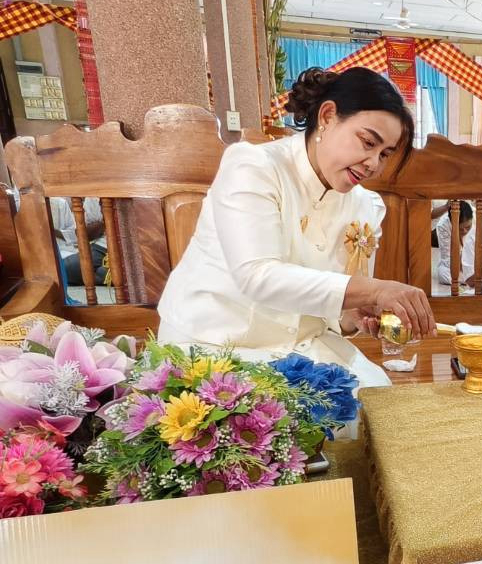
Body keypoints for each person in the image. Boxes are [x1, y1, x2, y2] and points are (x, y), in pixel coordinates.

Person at [158, 67, 434, 389]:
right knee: (290, 424)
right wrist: (375, 288)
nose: (374, 163)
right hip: (217, 342)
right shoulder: (254, 167)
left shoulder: (365, 206)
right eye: (367, 142)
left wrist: (354, 315)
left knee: (377, 403)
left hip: (300, 348)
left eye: (384, 154)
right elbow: (257, 276)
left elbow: (332, 309)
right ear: (328, 116)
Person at [435, 200, 482, 294]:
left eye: (467, 227)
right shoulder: (442, 226)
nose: (464, 231)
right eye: (460, 229)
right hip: (457, 265)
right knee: (444, 273)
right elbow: (448, 260)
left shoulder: (478, 218)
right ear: (452, 224)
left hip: (475, 265)